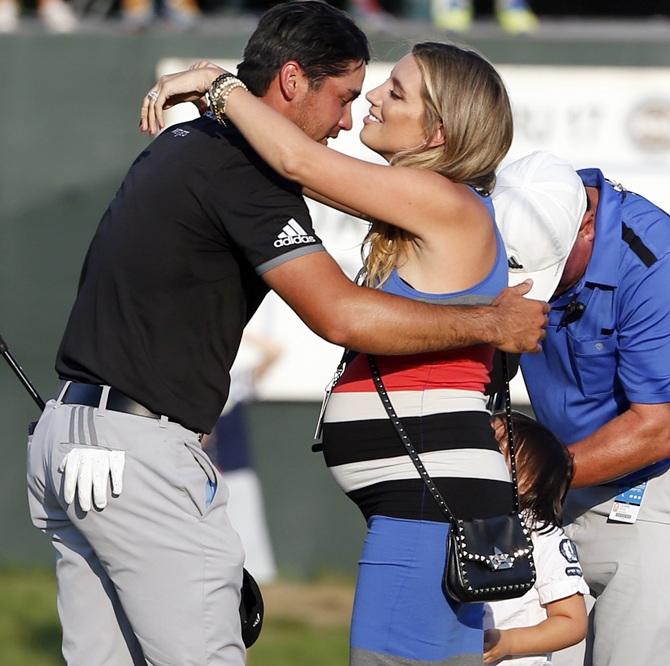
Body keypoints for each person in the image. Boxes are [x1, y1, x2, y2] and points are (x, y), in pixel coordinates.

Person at [26, 4, 546, 664]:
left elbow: (299, 163)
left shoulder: (190, 147)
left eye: (388, 93)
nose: (355, 117)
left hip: (82, 441)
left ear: (440, 130)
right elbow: (339, 311)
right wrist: (487, 323)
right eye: (351, 95)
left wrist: (216, 85)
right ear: (295, 80)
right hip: (138, 454)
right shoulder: (246, 168)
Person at [493, 150, 670, 666]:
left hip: (653, 485)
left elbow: (658, 427)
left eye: (550, 269)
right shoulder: (501, 215)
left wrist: (533, 475)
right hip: (558, 477)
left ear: (587, 223)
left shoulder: (657, 263)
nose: (535, 291)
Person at [485, 411, 588, 665]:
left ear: (528, 480)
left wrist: (508, 643)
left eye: (493, 446)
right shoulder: (453, 522)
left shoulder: (543, 537)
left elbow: (571, 622)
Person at [201, 332, 280, 584]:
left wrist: (242, 334)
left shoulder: (236, 383)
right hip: (204, 474)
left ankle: (254, 585)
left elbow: (275, 352)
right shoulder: (197, 385)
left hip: (236, 470)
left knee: (246, 531)